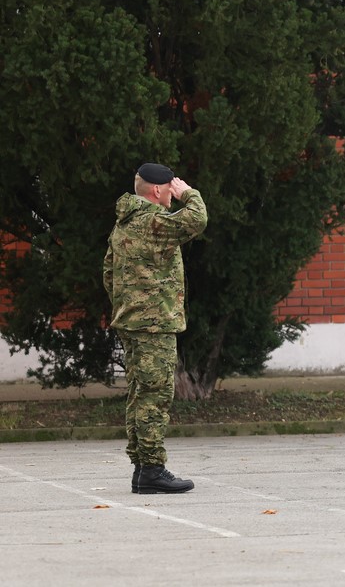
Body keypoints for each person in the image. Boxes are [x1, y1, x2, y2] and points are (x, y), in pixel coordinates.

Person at [103, 162, 208, 494]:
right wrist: (189, 193)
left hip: (131, 322)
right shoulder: (154, 221)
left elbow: (109, 272)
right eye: (170, 188)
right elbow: (197, 220)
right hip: (154, 325)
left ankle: (141, 468)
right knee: (156, 395)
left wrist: (127, 304)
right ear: (158, 191)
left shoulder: (123, 225)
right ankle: (151, 469)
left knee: (138, 393)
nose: (172, 193)